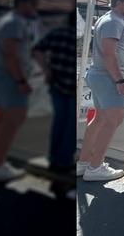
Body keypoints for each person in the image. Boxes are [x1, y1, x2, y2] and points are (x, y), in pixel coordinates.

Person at [77, 0, 124, 181]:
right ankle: (95, 167)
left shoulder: (107, 18)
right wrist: (119, 80)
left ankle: (84, 163)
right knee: (112, 122)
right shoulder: (113, 21)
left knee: (100, 120)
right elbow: (108, 54)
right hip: (107, 76)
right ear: (120, 2)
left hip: (100, 74)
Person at [0, 0, 39, 182]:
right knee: (14, 120)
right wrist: (20, 80)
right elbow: (10, 54)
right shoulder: (15, 22)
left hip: (4, 76)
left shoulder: (11, 20)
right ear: (22, 3)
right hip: (9, 78)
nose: (34, 9)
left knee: (3, 119)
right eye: (32, 4)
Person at [32, 10, 77, 178]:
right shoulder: (74, 37)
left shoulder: (57, 33)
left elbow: (36, 50)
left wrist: (46, 70)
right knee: (70, 126)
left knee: (59, 122)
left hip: (56, 82)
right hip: (71, 86)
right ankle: (64, 161)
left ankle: (54, 157)